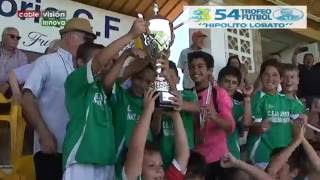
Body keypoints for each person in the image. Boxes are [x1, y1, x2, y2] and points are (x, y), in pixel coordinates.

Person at [62, 19, 146, 180]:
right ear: (80, 63)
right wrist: (130, 35)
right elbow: (99, 61)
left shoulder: (106, 86)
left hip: (107, 161)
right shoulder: (74, 82)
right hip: (80, 160)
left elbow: (129, 70)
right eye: (104, 61)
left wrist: (152, 52)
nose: (106, 65)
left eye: (110, 63)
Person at [21, 18, 96, 180]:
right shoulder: (46, 62)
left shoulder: (86, 68)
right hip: (50, 150)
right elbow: (27, 98)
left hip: (79, 154)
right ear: (71, 37)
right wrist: (43, 132)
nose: (89, 44)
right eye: (87, 39)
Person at [247, 59, 304, 169]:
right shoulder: (257, 98)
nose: (270, 78)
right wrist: (260, 127)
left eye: (274, 75)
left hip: (284, 156)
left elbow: (298, 121)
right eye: (266, 74)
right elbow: (250, 127)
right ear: (261, 76)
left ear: (280, 79)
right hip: (262, 156)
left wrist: (301, 119)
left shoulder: (287, 100)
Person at [123, 89, 190, 180]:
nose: (159, 170)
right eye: (151, 165)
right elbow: (136, 148)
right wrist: (148, 111)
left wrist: (175, 114)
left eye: (161, 165)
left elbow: (184, 153)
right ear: (139, 170)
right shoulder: (133, 177)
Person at [188, 51, 235, 179]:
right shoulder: (187, 95)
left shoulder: (219, 94)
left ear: (210, 70)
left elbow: (230, 127)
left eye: (200, 66)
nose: (195, 70)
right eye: (192, 66)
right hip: (195, 160)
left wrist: (214, 116)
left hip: (217, 159)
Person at [151, 60, 198, 168]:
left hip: (187, 158)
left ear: (178, 79)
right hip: (164, 158)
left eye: (171, 76)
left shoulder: (187, 95)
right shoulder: (156, 98)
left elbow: (198, 108)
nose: (167, 80)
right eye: (164, 77)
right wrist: (158, 114)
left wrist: (181, 104)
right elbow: (155, 131)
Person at [218, 66, 253, 159]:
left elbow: (246, 124)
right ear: (218, 82)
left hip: (231, 154)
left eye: (234, 83)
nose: (230, 85)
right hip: (209, 154)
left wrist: (247, 97)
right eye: (227, 81)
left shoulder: (238, 105)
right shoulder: (208, 102)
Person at [0, 27, 28, 97]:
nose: (16, 39)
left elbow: (22, 77)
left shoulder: (22, 57)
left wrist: (8, 83)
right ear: (3, 37)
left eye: (18, 38)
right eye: (12, 36)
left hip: (9, 92)